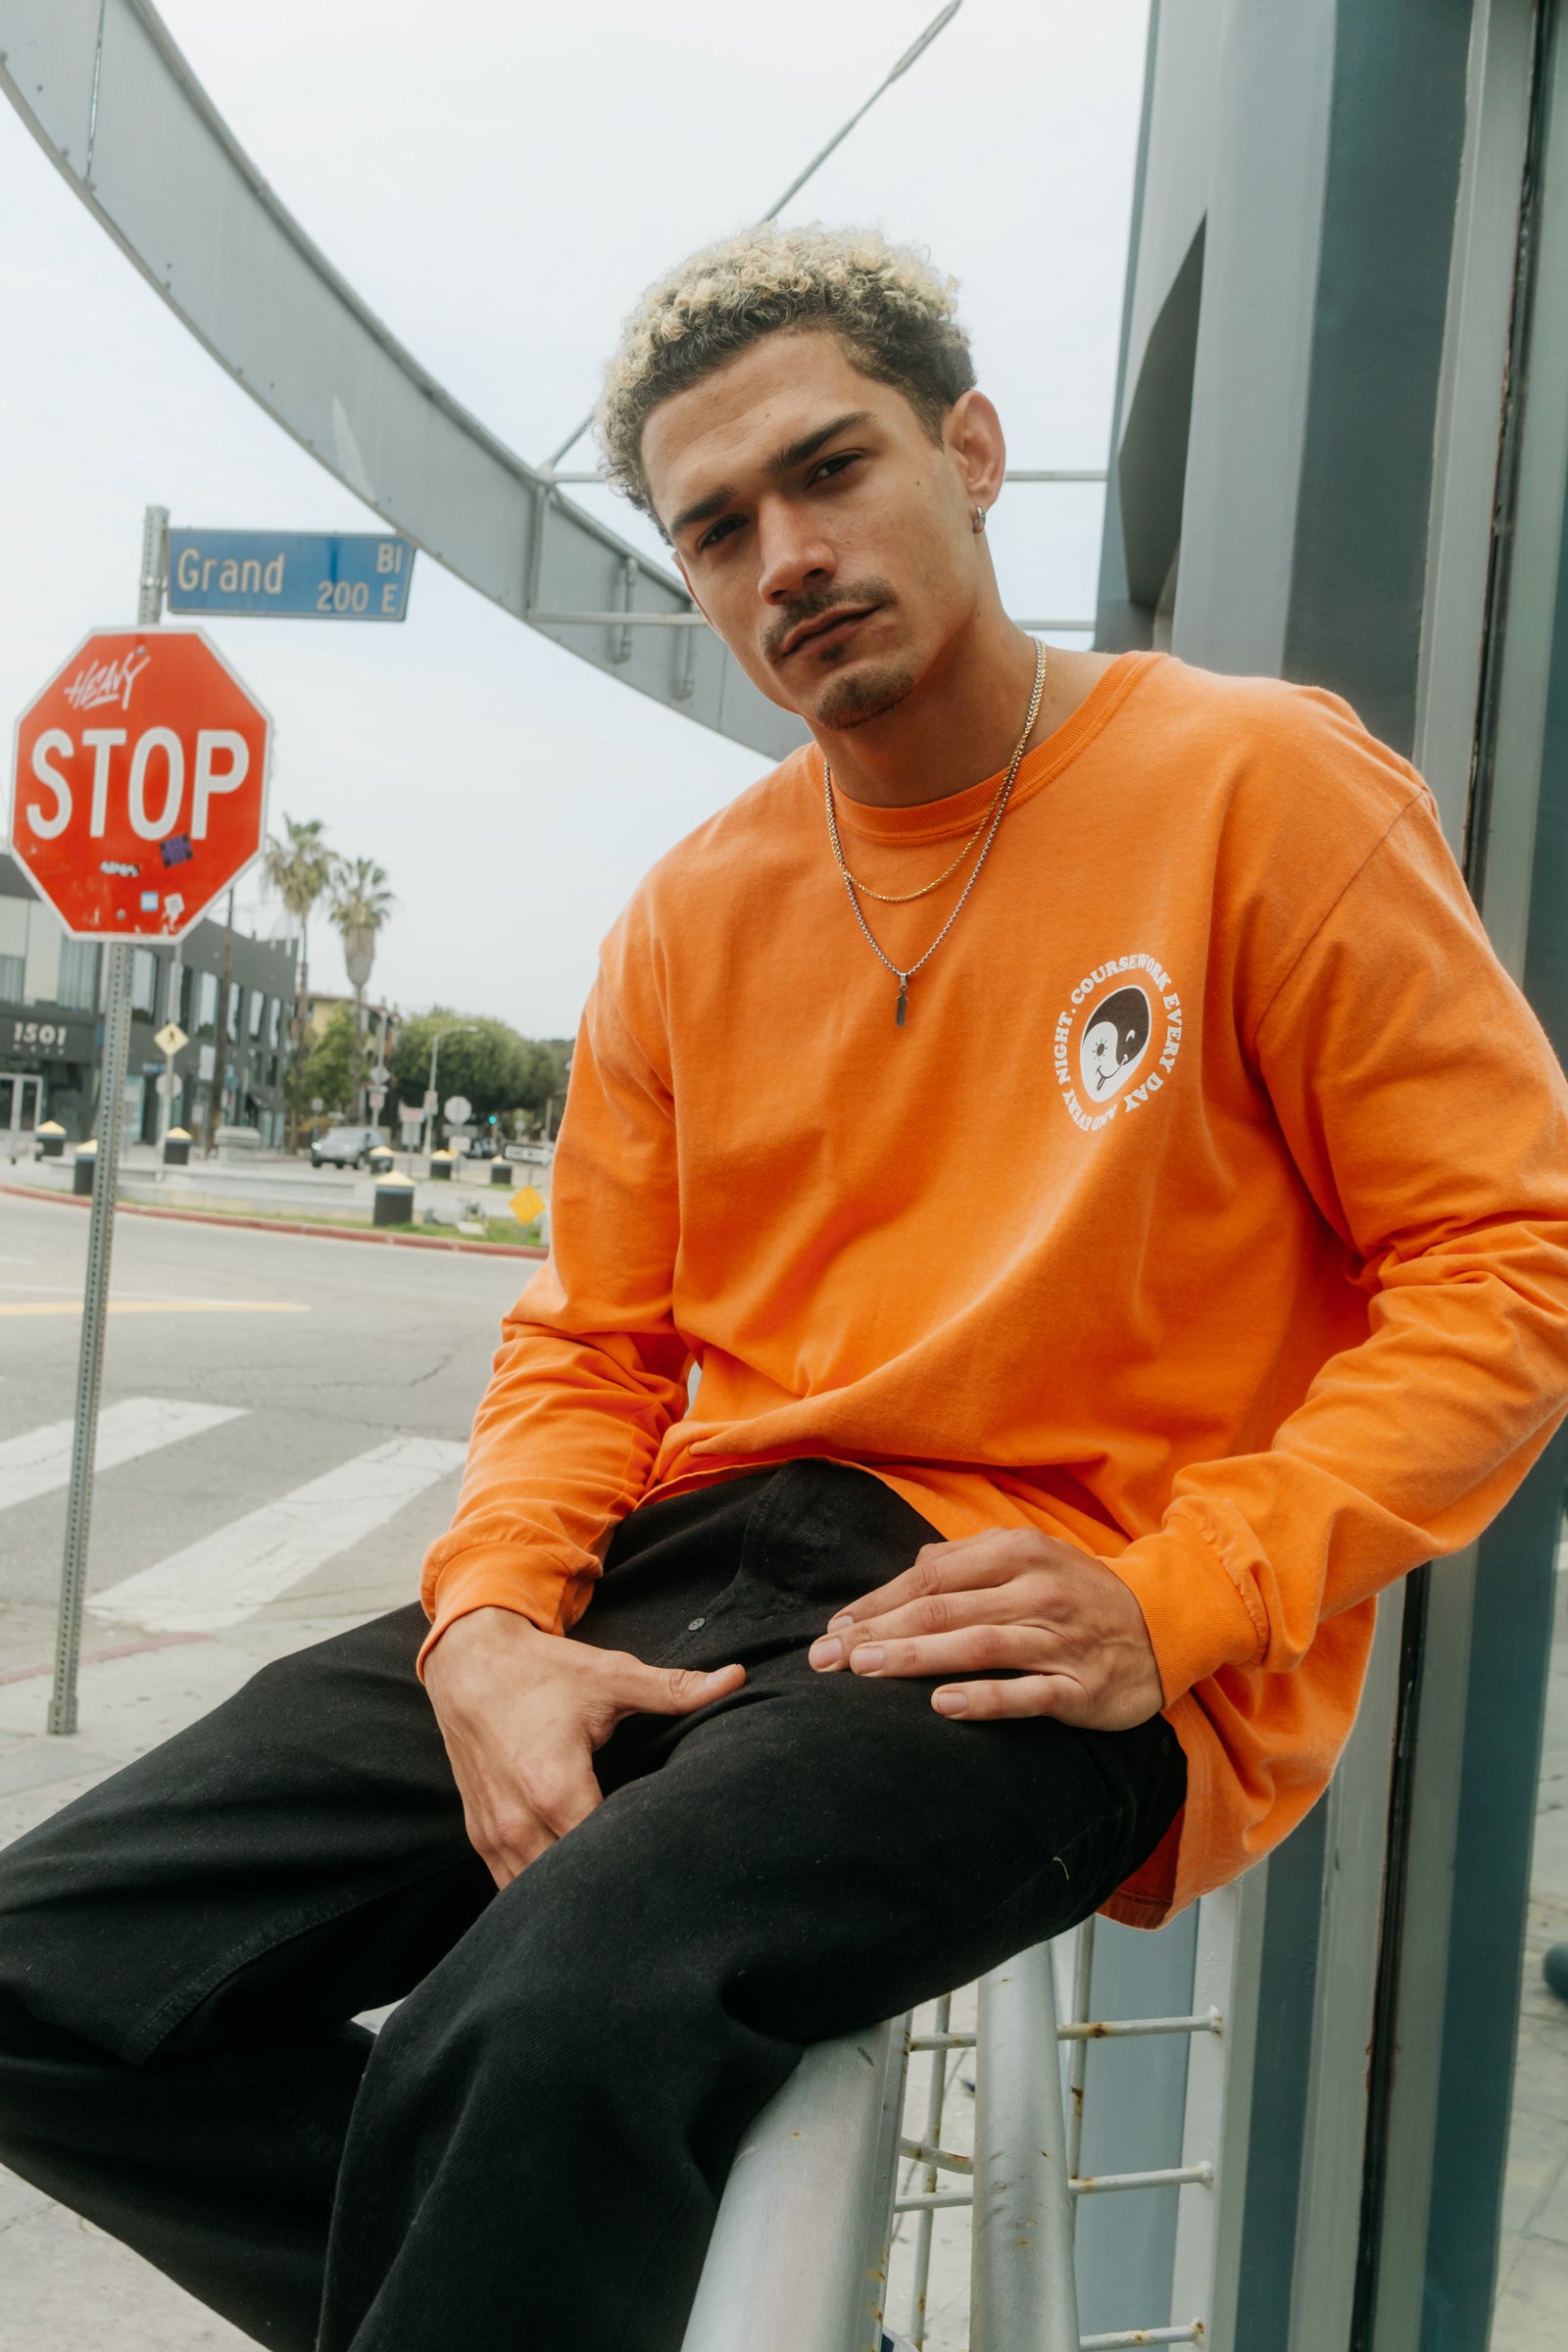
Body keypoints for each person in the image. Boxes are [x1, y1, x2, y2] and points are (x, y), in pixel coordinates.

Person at [3, 223, 1568, 2352]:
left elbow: (1509, 1257)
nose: (784, 556)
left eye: (830, 471)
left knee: (543, 2016)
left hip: (1035, 1613)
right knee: (39, 1969)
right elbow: (593, 1343)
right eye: (716, 527)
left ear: (972, 449)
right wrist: (483, 1626)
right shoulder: (691, 913)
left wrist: (1187, 1587)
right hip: (688, 1557)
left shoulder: (1255, 789)